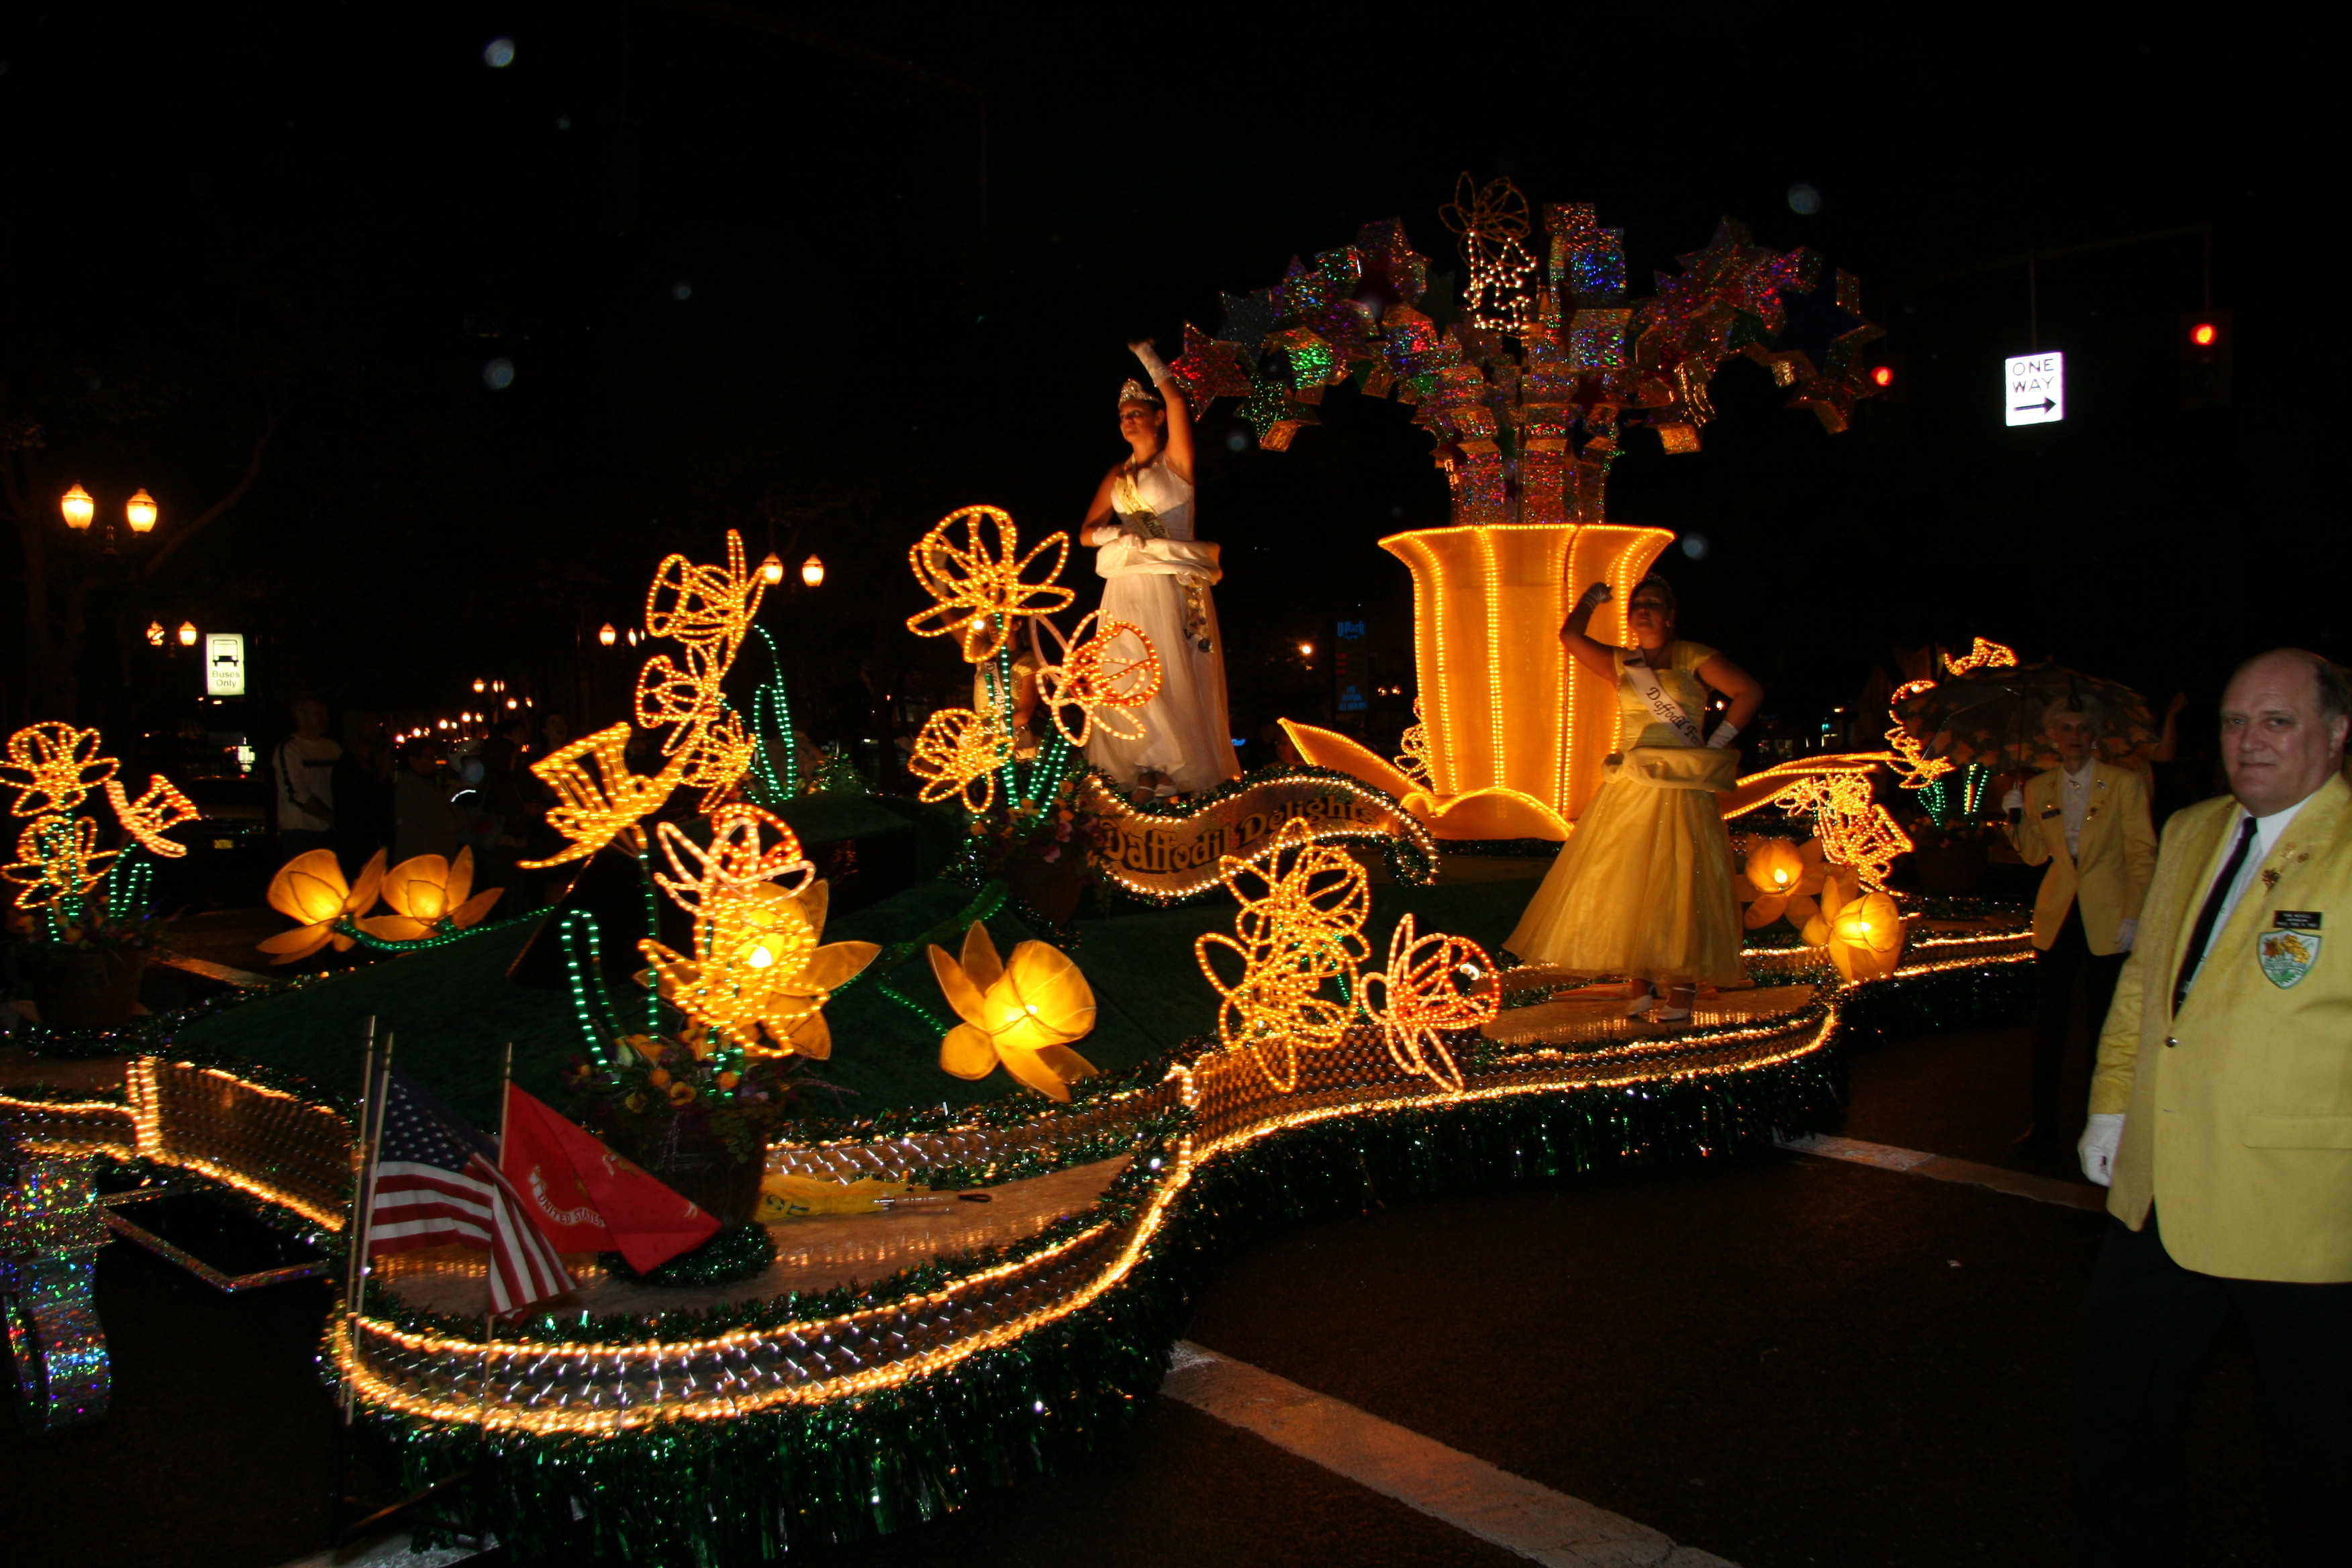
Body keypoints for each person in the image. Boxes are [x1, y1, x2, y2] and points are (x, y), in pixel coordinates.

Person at [2073, 649, 2352, 1565]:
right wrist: (2112, 1106)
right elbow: (2145, 984)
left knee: (2317, 1458)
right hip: (2161, 1186)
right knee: (2120, 1407)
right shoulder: (2192, 828)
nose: (2250, 741)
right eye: (2236, 722)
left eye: (2278, 721)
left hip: (2303, 1206)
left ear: (2337, 733)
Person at [1503, 575, 1762, 1020]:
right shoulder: (1624, 662)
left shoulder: (1692, 656)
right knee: (1628, 881)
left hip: (1681, 785)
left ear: (1670, 614)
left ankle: (1681, 987)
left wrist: (1716, 744)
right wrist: (1590, 600)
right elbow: (1570, 637)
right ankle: (1638, 982)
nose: (1644, 609)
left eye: (1655, 603)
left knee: (1679, 882)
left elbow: (1749, 692)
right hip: (1632, 786)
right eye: (1638, 603)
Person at [1076, 339, 1238, 799]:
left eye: (1136, 413)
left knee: (1170, 668)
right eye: (1123, 415)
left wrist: (1149, 358)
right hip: (1128, 579)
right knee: (1126, 667)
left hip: (1172, 579)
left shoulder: (1176, 462)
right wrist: (1113, 535)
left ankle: (1172, 765)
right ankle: (1140, 762)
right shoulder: (1117, 475)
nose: (1128, 420)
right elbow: (1087, 531)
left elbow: (1176, 398)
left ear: (1156, 419)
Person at [1999, 700, 2157, 1150]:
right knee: (2049, 1025)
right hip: (2057, 916)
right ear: (2052, 736)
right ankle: (2043, 1125)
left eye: (2082, 728)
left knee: (2105, 1027)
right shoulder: (2040, 787)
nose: (2074, 735)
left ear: (2094, 736)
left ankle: (2104, 1125)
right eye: (2065, 728)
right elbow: (2033, 854)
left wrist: (2134, 913)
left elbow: (2142, 852)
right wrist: (2013, 816)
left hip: (2108, 915)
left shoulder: (2124, 784)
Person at [272, 697, 342, 865]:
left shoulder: (334, 748)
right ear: (301, 716)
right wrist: (329, 817)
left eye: (325, 714)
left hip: (329, 830)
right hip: (300, 831)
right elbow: (297, 792)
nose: (325, 719)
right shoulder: (290, 748)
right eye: (318, 714)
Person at [391, 739, 463, 864]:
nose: (434, 762)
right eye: (429, 757)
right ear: (413, 760)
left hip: (431, 858)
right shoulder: (413, 789)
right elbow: (443, 822)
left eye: (434, 757)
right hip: (424, 860)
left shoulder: (427, 785)